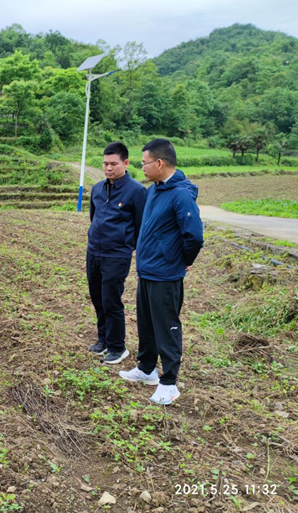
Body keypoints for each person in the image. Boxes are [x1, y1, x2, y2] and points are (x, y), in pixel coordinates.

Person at [119, 139, 204, 405]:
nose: (141, 167)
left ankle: (169, 383)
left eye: (144, 162)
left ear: (159, 163)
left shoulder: (180, 194)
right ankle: (146, 369)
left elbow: (194, 236)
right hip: (147, 270)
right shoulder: (154, 190)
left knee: (166, 327)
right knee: (146, 324)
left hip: (166, 274)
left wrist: (183, 260)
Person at [87, 142, 146, 364]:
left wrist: (127, 246)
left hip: (117, 255)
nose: (108, 168)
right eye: (105, 164)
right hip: (94, 252)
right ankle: (103, 339)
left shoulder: (137, 191)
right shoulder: (98, 189)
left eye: (113, 164)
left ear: (126, 163)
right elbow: (94, 218)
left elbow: (141, 227)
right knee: (97, 298)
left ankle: (117, 346)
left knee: (111, 300)